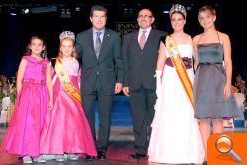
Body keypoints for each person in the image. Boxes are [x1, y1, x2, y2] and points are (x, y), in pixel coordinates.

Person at [147, 4, 205, 164]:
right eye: (174, 20)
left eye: (180, 19)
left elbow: (197, 60)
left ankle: (188, 153)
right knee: (170, 112)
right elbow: (160, 60)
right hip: (171, 78)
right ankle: (167, 153)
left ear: (185, 20)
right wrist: (158, 81)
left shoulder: (191, 39)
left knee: (186, 112)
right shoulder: (166, 40)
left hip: (187, 78)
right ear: (170, 21)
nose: (177, 22)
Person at [193, 5, 241, 163]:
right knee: (204, 120)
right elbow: (196, 63)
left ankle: (217, 156)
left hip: (219, 79)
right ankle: (207, 157)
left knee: (218, 119)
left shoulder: (223, 37)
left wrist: (228, 83)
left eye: (207, 17)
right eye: (202, 18)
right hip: (202, 80)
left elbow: (228, 61)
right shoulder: (196, 39)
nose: (205, 20)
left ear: (214, 17)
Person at [75, 5, 124, 160]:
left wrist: (120, 80)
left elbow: (119, 60)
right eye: (96, 16)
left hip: (107, 81)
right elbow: (75, 58)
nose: (99, 19)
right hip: (88, 82)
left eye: (102, 16)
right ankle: (90, 148)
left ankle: (102, 148)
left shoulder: (115, 36)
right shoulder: (81, 37)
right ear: (91, 18)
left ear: (106, 18)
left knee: (105, 117)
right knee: (87, 116)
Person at [40, 31, 97, 162]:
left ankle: (71, 148)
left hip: (73, 97)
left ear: (73, 48)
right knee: (59, 123)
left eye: (69, 46)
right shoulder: (54, 62)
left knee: (72, 124)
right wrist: (50, 98)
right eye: (64, 46)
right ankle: (58, 150)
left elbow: (80, 80)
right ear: (60, 47)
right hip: (59, 96)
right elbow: (49, 81)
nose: (66, 49)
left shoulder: (77, 62)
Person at [0, 35, 53, 164]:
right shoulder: (25, 60)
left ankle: (36, 152)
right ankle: (25, 153)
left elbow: (49, 82)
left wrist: (51, 99)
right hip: (28, 93)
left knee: (40, 123)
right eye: (34, 44)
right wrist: (20, 95)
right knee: (28, 123)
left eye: (39, 44)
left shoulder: (46, 62)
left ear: (43, 47)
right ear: (30, 46)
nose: (36, 47)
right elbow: (19, 79)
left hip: (42, 94)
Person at [122, 8, 166, 159]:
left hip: (155, 84)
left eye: (147, 16)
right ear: (137, 19)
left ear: (152, 20)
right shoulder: (128, 38)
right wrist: (125, 82)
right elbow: (125, 62)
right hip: (134, 84)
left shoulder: (162, 36)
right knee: (138, 118)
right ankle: (140, 149)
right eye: (140, 16)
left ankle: (155, 149)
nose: (143, 18)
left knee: (155, 117)